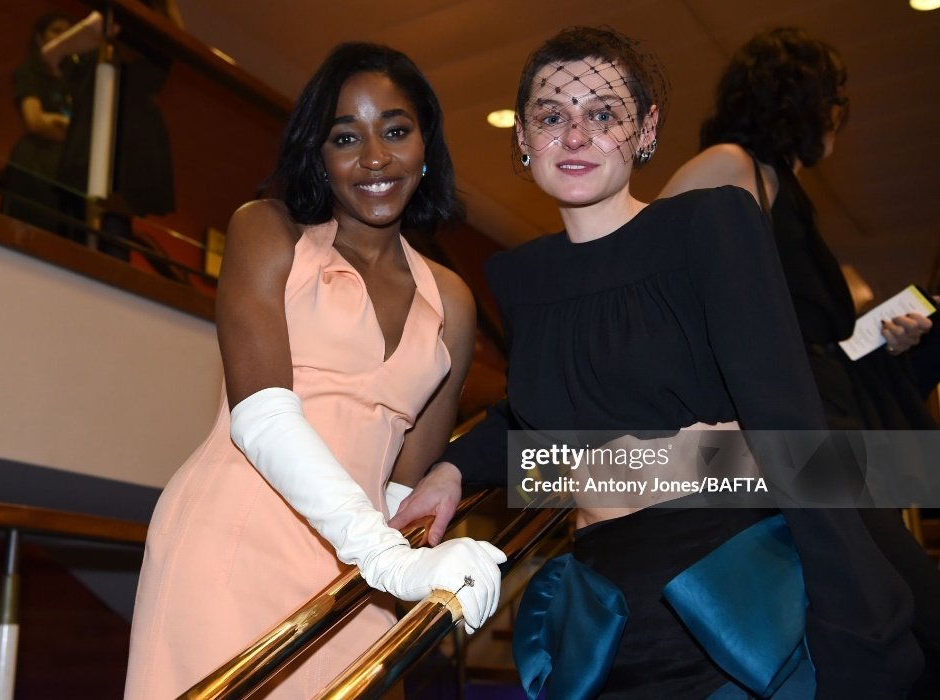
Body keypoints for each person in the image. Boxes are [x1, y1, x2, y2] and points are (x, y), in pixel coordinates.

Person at [391, 25, 927, 698]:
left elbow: (786, 419)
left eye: (603, 114)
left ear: (644, 132)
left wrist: (853, 621)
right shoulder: (522, 278)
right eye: (552, 116)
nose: (576, 135)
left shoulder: (708, 225)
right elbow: (544, 423)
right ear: (524, 141)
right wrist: (452, 468)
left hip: (722, 590)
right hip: (606, 599)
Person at [123, 43, 506, 699]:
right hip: (232, 541)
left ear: (425, 142)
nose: (375, 158)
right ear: (318, 154)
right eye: (345, 137)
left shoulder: (453, 300)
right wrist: (387, 559)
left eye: (395, 130)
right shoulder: (267, 230)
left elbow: (403, 481)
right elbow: (262, 417)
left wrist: (402, 556)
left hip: (356, 570)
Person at [661, 27, 940, 695]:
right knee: (913, 616)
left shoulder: (785, 187)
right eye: (832, 97)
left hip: (829, 431)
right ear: (801, 100)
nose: (839, 115)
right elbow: (654, 288)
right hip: (794, 444)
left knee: (891, 625)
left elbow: (798, 336)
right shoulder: (732, 164)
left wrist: (884, 342)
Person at [42, 3, 176, 260]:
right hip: (114, 133)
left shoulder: (134, 19)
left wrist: (55, 50)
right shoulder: (159, 25)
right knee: (105, 220)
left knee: (101, 218)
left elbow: (98, 25)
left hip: (115, 133)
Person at [0, 12, 74, 233]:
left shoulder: (75, 81)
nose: (63, 36)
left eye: (67, 31)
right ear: (40, 37)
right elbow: (34, 121)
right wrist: (65, 126)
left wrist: (57, 122)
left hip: (65, 173)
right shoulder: (30, 71)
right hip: (34, 168)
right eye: (55, 30)